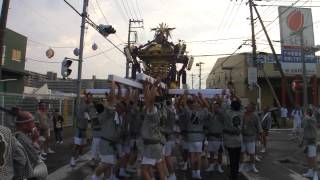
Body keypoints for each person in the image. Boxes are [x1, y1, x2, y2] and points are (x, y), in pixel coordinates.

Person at [91, 82, 121, 180]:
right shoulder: (107, 114)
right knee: (107, 163)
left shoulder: (113, 114)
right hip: (105, 143)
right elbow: (111, 100)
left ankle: (107, 178)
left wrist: (119, 88)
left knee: (109, 167)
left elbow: (116, 100)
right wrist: (113, 87)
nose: (116, 104)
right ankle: (94, 176)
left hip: (109, 143)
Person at [176, 91, 208, 179]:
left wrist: (185, 95)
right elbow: (206, 106)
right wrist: (200, 97)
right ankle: (198, 173)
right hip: (199, 137)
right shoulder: (202, 113)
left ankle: (194, 173)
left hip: (190, 137)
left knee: (192, 156)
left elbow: (185, 104)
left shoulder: (188, 112)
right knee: (198, 156)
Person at [140, 80, 166, 180]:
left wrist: (154, 86)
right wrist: (146, 87)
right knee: (160, 169)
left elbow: (149, 101)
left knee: (144, 170)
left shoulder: (153, 110)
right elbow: (148, 100)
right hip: (157, 144)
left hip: (151, 146)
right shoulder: (162, 109)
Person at [15, 110, 48, 180]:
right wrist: (35, 140)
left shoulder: (20, 136)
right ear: (24, 125)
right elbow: (36, 158)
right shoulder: (22, 139)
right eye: (32, 122)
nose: (34, 124)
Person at [70, 93, 94, 167]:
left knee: (82, 144)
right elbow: (86, 111)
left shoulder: (87, 106)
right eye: (89, 98)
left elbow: (90, 115)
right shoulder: (82, 106)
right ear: (85, 98)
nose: (90, 100)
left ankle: (80, 156)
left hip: (84, 129)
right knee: (76, 145)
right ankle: (72, 159)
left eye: (91, 98)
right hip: (79, 129)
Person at [239, 103, 262, 173]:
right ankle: (241, 165)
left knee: (252, 153)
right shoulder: (242, 115)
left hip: (251, 137)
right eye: (247, 107)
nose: (247, 108)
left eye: (248, 107)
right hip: (242, 137)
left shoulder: (255, 116)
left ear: (252, 109)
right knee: (241, 152)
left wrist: (259, 135)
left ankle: (253, 166)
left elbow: (258, 125)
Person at [223, 99, 242, 180]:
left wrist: (225, 100)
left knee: (232, 159)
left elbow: (224, 109)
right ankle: (236, 173)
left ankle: (233, 175)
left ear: (231, 106)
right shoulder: (242, 113)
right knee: (237, 159)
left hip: (230, 140)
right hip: (239, 139)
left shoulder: (228, 114)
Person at [205, 100, 225, 173]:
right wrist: (207, 133)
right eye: (214, 107)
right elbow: (206, 125)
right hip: (211, 137)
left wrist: (219, 111)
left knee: (220, 153)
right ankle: (211, 166)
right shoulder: (210, 115)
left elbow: (223, 117)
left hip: (219, 137)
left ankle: (219, 166)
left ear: (219, 108)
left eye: (217, 107)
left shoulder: (222, 116)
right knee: (211, 153)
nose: (215, 108)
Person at [162, 99, 177, 180]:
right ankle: (169, 174)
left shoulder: (168, 111)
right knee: (166, 157)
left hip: (167, 138)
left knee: (166, 158)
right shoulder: (172, 111)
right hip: (170, 137)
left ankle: (170, 174)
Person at [302, 108, 318, 179]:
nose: (304, 113)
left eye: (305, 112)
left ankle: (315, 175)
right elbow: (305, 129)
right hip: (308, 141)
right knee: (308, 157)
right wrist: (302, 142)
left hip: (312, 141)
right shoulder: (309, 119)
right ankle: (310, 172)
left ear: (307, 113)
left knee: (313, 158)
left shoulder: (311, 119)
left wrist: (306, 115)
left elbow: (304, 122)